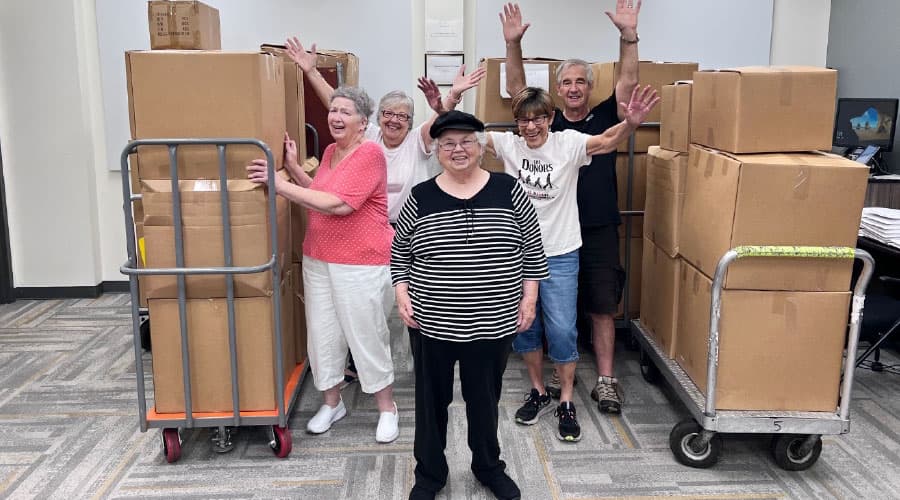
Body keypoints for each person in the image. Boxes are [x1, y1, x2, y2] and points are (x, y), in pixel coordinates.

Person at [285, 36, 485, 386]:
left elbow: (440, 119)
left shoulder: (417, 141)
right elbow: (341, 107)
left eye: (402, 116)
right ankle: (364, 366)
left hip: (410, 231)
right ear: (376, 119)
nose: (394, 120)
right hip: (368, 231)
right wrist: (311, 72)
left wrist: (451, 96)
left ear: (410, 121)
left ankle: (411, 366)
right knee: (369, 306)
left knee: (408, 302)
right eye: (388, 114)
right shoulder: (370, 137)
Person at [481, 85, 657, 440]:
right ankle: (537, 390)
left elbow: (606, 141)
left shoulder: (568, 144)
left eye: (538, 119)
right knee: (526, 328)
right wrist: (446, 102)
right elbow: (463, 135)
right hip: (518, 255)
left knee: (562, 329)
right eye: (523, 120)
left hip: (560, 253)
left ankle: (565, 399)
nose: (531, 126)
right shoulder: (509, 145)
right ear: (516, 122)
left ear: (550, 118)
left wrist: (631, 124)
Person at [392, 110, 549, 500]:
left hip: (493, 321)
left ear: (480, 148)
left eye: (466, 142)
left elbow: (533, 249)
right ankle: (430, 475)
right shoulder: (421, 196)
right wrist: (402, 293)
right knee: (431, 403)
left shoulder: (508, 190)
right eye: (448, 143)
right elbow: (399, 253)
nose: (457, 149)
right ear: (438, 151)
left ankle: (488, 466)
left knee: (484, 401)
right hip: (432, 322)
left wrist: (529, 299)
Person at [501, 0, 642, 414]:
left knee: (601, 306)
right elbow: (518, 91)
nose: (575, 87)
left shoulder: (604, 117)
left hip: (595, 227)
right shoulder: (547, 124)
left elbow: (628, 84)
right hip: (546, 234)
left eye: (581, 81)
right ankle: (552, 379)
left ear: (590, 87)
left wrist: (628, 37)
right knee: (549, 314)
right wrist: (512, 45)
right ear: (558, 89)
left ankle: (606, 381)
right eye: (567, 82)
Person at [246, 86, 399, 443]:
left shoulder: (370, 153)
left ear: (363, 122)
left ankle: (387, 408)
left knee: (366, 335)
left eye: (345, 111)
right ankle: (332, 403)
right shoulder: (331, 151)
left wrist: (278, 184)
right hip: (318, 258)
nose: (336, 117)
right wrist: (293, 169)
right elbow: (319, 192)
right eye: (333, 110)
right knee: (323, 335)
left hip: (360, 263)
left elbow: (338, 205)